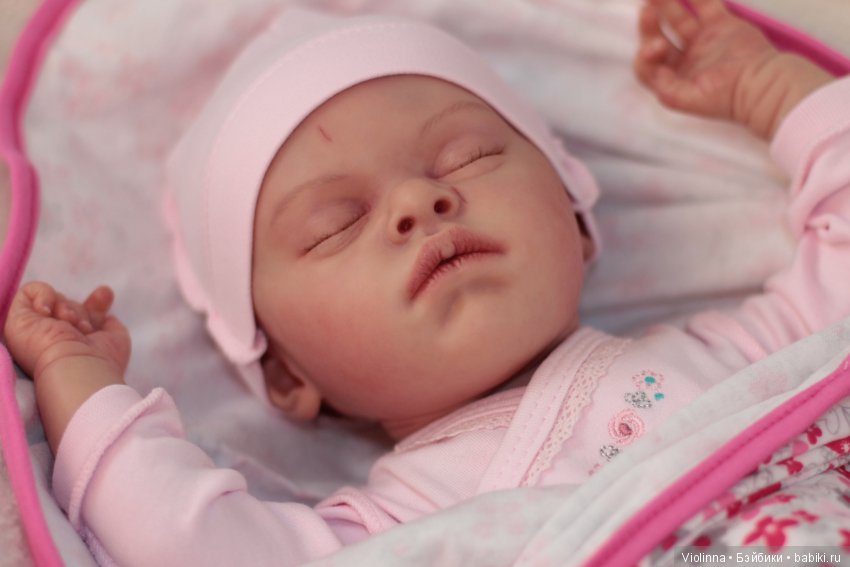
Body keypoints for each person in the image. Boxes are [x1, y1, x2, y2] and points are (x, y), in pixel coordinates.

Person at [4, 0, 848, 564]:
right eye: (333, 225)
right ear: (286, 373)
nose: (417, 201)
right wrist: (78, 379)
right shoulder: (391, 528)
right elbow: (182, 540)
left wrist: (769, 88)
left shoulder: (738, 352)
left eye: (467, 156)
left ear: (577, 215)